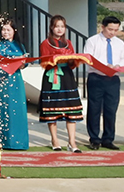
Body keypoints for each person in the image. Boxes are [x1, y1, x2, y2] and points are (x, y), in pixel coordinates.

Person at [39, 14, 83, 153]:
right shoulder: (45, 43)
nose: (59, 29)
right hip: (52, 77)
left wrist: (72, 59)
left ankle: (72, 142)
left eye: (62, 26)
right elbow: (44, 63)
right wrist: (56, 59)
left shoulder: (69, 43)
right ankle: (55, 140)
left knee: (71, 110)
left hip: (67, 77)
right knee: (53, 109)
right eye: (57, 26)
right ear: (52, 27)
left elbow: (72, 62)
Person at [83, 15, 124, 150]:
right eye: (110, 29)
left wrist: (116, 66)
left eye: (115, 30)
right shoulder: (92, 41)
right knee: (94, 109)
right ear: (102, 27)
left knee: (111, 110)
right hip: (96, 78)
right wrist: (104, 66)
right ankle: (94, 138)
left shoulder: (119, 43)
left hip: (113, 79)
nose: (112, 33)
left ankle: (108, 138)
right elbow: (88, 59)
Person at [0, 19, 29, 150]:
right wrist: (14, 60)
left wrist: (22, 63)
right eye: (3, 29)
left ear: (14, 31)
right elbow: (0, 59)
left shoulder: (20, 45)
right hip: (2, 79)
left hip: (15, 79)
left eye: (8, 30)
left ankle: (18, 141)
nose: (5, 32)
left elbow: (25, 62)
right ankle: (0, 140)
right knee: (2, 109)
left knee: (17, 109)